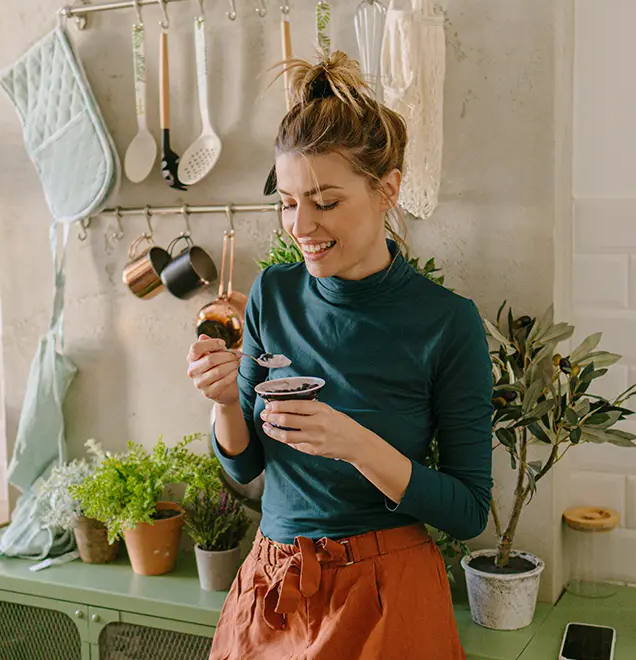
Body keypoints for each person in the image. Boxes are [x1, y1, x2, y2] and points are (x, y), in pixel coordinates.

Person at [186, 50, 493, 659]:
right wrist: (224, 402)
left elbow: (468, 511)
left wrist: (354, 443)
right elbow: (244, 469)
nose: (301, 225)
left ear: (388, 190)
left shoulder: (446, 323)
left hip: (385, 595)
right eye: (287, 202)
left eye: (325, 202)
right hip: (272, 590)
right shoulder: (274, 295)